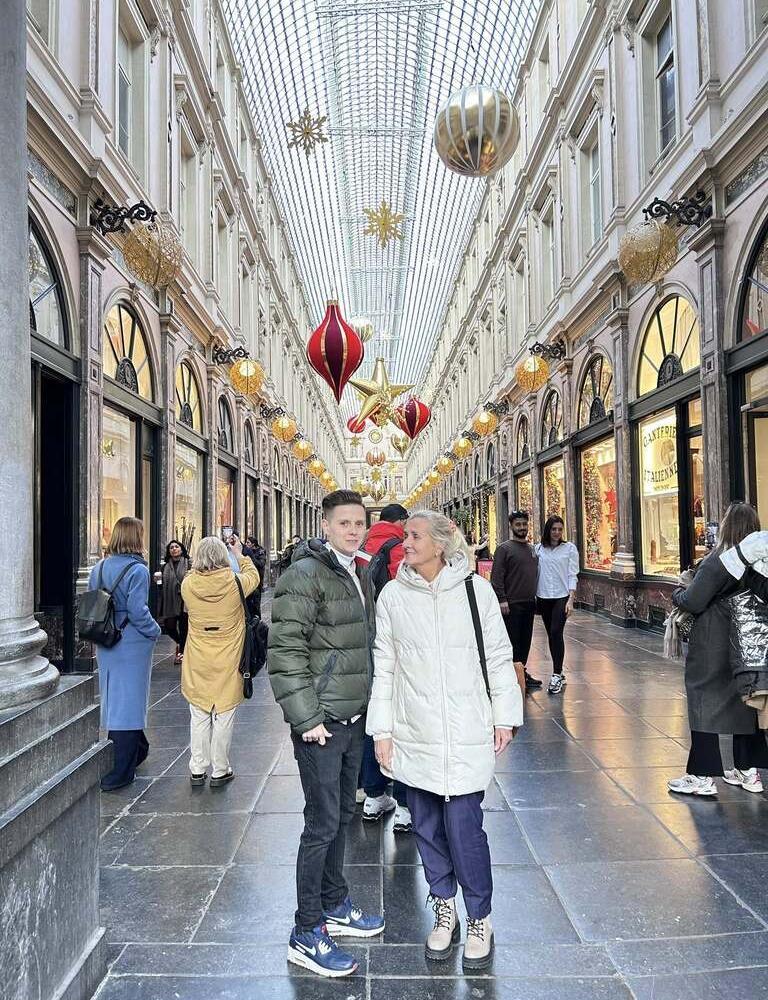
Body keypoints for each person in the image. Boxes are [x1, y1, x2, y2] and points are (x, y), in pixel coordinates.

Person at [368, 511, 523, 972]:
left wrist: (505, 715)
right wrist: (382, 730)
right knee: (426, 827)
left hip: (465, 727)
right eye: (406, 536)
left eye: (414, 536)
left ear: (439, 544)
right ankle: (443, 908)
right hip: (414, 730)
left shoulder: (476, 591)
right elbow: (385, 666)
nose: (406, 543)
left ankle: (479, 917)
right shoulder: (393, 596)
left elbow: (498, 655)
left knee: (465, 829)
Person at [268, 489, 384, 978]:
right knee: (321, 823)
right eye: (344, 523)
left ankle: (334, 903)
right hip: (322, 723)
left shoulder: (359, 570)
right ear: (325, 525)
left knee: (342, 817)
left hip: (352, 717)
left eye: (359, 523)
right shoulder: (304, 574)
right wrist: (307, 718)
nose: (353, 531)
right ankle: (306, 930)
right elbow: (285, 652)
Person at [668, 503, 768, 797]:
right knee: (744, 702)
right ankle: (748, 771)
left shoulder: (719, 560)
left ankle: (701, 775)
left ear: (727, 526)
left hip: (712, 642)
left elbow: (693, 601)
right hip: (747, 646)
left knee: (702, 701)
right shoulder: (759, 562)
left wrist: (678, 592)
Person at [180, 535, 260, 787]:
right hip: (229, 655)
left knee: (199, 712)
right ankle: (220, 769)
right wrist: (239, 553)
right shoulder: (236, 583)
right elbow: (254, 576)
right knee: (224, 713)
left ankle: (197, 767)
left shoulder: (188, 584)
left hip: (198, 656)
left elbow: (189, 587)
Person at [91, 517, 161, 791]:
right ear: (136, 537)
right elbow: (137, 610)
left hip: (105, 639)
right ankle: (121, 770)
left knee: (116, 698)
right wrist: (154, 630)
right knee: (130, 702)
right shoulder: (138, 570)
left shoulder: (99, 567)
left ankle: (138, 749)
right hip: (131, 641)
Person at [360, 503, 411, 830]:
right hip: (398, 641)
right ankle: (405, 805)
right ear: (402, 522)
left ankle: (372, 793)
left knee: (373, 714)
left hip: (364, 639)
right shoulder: (399, 547)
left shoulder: (362, 545)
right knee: (402, 717)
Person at [491, 510, 542, 693]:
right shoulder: (504, 549)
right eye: (518, 524)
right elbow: (496, 576)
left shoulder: (532, 549)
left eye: (524, 524)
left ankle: (522, 673)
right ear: (511, 526)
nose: (522, 528)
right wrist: (502, 599)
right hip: (511, 605)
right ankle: (511, 677)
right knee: (512, 642)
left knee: (525, 641)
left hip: (528, 603)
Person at [535, 516, 579, 694]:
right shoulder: (538, 549)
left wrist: (571, 599)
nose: (557, 532)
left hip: (561, 596)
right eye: (554, 529)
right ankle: (559, 673)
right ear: (548, 530)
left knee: (556, 632)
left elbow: (572, 574)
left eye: (560, 529)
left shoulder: (569, 549)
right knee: (551, 635)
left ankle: (556, 674)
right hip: (543, 596)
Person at [157, 539, 190, 664]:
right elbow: (162, 586)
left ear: (181, 549)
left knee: (183, 628)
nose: (174, 549)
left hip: (184, 601)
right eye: (171, 547)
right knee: (169, 626)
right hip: (170, 601)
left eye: (176, 546)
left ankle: (181, 653)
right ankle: (181, 643)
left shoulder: (188, 563)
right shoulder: (165, 566)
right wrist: (158, 582)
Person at [242, 534, 267, 617]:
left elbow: (261, 564)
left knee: (256, 602)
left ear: (253, 544)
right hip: (248, 578)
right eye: (246, 542)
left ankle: (257, 618)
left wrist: (252, 558)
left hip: (258, 579)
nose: (246, 544)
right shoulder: (246, 551)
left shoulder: (260, 552)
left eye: (248, 542)